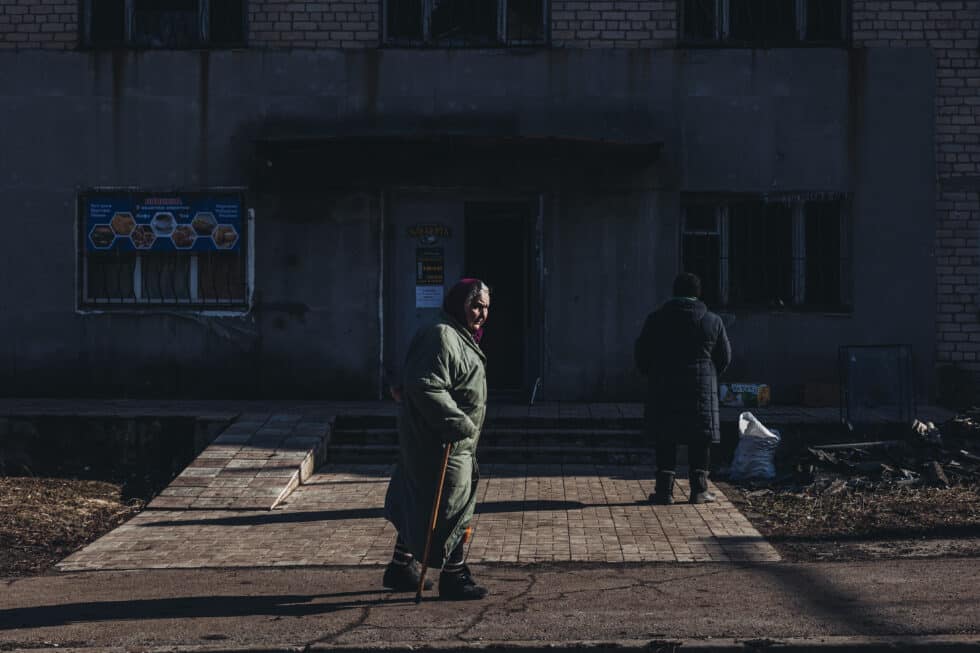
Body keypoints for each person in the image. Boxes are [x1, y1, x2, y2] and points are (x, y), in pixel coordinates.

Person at [382, 278, 491, 600]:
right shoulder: (443, 335)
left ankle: (401, 567)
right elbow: (426, 385)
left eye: (486, 307)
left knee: (425, 503)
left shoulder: (460, 336)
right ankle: (455, 577)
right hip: (442, 440)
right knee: (451, 507)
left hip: (446, 439)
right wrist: (459, 424)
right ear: (459, 304)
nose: (481, 313)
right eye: (475, 305)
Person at [634, 272, 731, 505]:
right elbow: (724, 358)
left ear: (674, 292)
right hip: (700, 390)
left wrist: (653, 374)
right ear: (698, 294)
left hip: (664, 387)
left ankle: (664, 491)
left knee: (665, 437)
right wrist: (708, 376)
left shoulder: (656, 319)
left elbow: (641, 355)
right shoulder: (712, 321)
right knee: (700, 439)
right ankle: (699, 490)